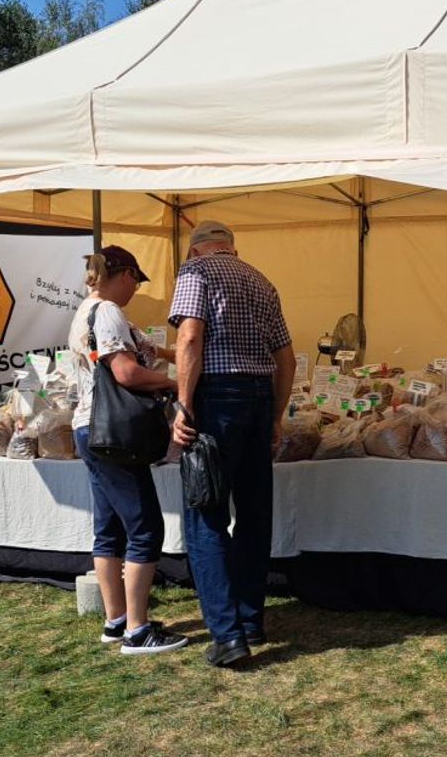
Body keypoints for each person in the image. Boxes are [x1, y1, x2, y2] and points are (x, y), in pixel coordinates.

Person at [169, 220, 296, 668]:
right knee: (254, 516)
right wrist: (276, 415)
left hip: (216, 397)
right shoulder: (261, 281)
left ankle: (227, 635)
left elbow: (189, 336)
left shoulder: (195, 272)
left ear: (195, 249)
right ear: (233, 249)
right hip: (259, 396)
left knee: (205, 513)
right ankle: (249, 620)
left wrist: (184, 405)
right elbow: (286, 358)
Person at [68, 245, 188, 655]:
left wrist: (180, 355)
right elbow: (125, 371)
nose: (136, 289)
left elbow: (146, 352)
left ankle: (116, 620)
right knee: (146, 528)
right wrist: (174, 384)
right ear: (124, 275)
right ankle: (138, 631)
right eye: (136, 281)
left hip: (89, 428)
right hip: (112, 432)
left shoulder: (86, 310)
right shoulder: (109, 312)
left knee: (109, 529)